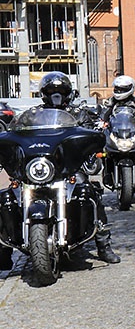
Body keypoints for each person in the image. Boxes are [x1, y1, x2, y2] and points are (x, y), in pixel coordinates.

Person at [0, 72, 121, 268]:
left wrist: (93, 141)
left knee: (89, 192)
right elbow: (19, 132)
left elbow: (92, 132)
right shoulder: (33, 115)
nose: (56, 95)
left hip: (69, 166)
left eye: (60, 91)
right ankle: (4, 251)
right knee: (8, 197)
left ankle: (103, 245)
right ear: (44, 94)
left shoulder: (80, 113)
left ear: (68, 93)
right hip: (41, 166)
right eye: (51, 91)